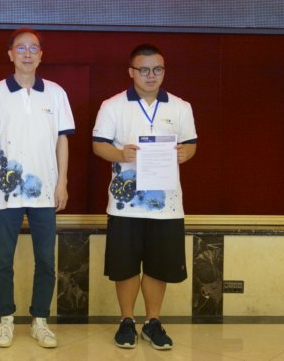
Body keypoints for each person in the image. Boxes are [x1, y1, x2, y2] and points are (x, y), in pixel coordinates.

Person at [92, 44, 197, 351]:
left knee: (158, 266)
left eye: (158, 69)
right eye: (144, 70)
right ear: (131, 72)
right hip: (125, 205)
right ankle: (127, 320)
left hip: (166, 206)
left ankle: (152, 322)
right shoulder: (113, 105)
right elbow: (99, 145)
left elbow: (191, 145)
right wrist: (120, 154)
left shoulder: (180, 107)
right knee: (125, 266)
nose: (151, 76)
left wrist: (185, 154)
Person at [0, 28, 75, 349]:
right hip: (6, 190)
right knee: (3, 258)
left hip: (46, 191)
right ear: (10, 54)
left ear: (41, 55)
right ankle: (5, 319)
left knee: (45, 259)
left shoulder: (56, 93)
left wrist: (62, 182)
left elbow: (62, 141)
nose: (27, 53)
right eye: (21, 48)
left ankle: (40, 320)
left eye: (34, 48)